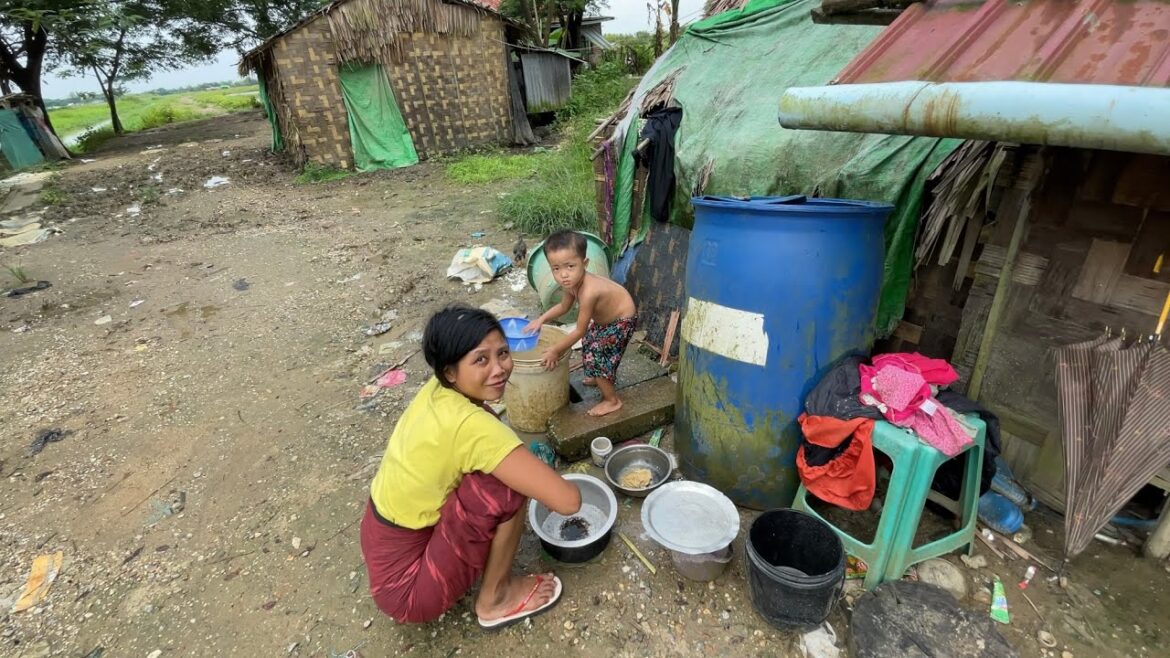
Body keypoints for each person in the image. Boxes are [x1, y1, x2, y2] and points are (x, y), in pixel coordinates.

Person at [360, 305, 582, 628]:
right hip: (407, 589)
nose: (499, 369)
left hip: (380, 542)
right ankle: (495, 599)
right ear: (450, 371)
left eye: (502, 353)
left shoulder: (437, 391)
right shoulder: (472, 428)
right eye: (481, 360)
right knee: (508, 485)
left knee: (499, 465)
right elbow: (569, 501)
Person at [524, 231, 637, 417]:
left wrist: (556, 350)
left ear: (585, 263)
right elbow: (563, 306)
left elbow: (579, 330)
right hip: (606, 319)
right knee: (590, 342)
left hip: (622, 320)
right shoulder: (570, 283)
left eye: (570, 266)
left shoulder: (589, 292)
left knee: (599, 354)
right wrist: (541, 319)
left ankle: (611, 400)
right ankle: (599, 377)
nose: (563, 275)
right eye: (556, 268)